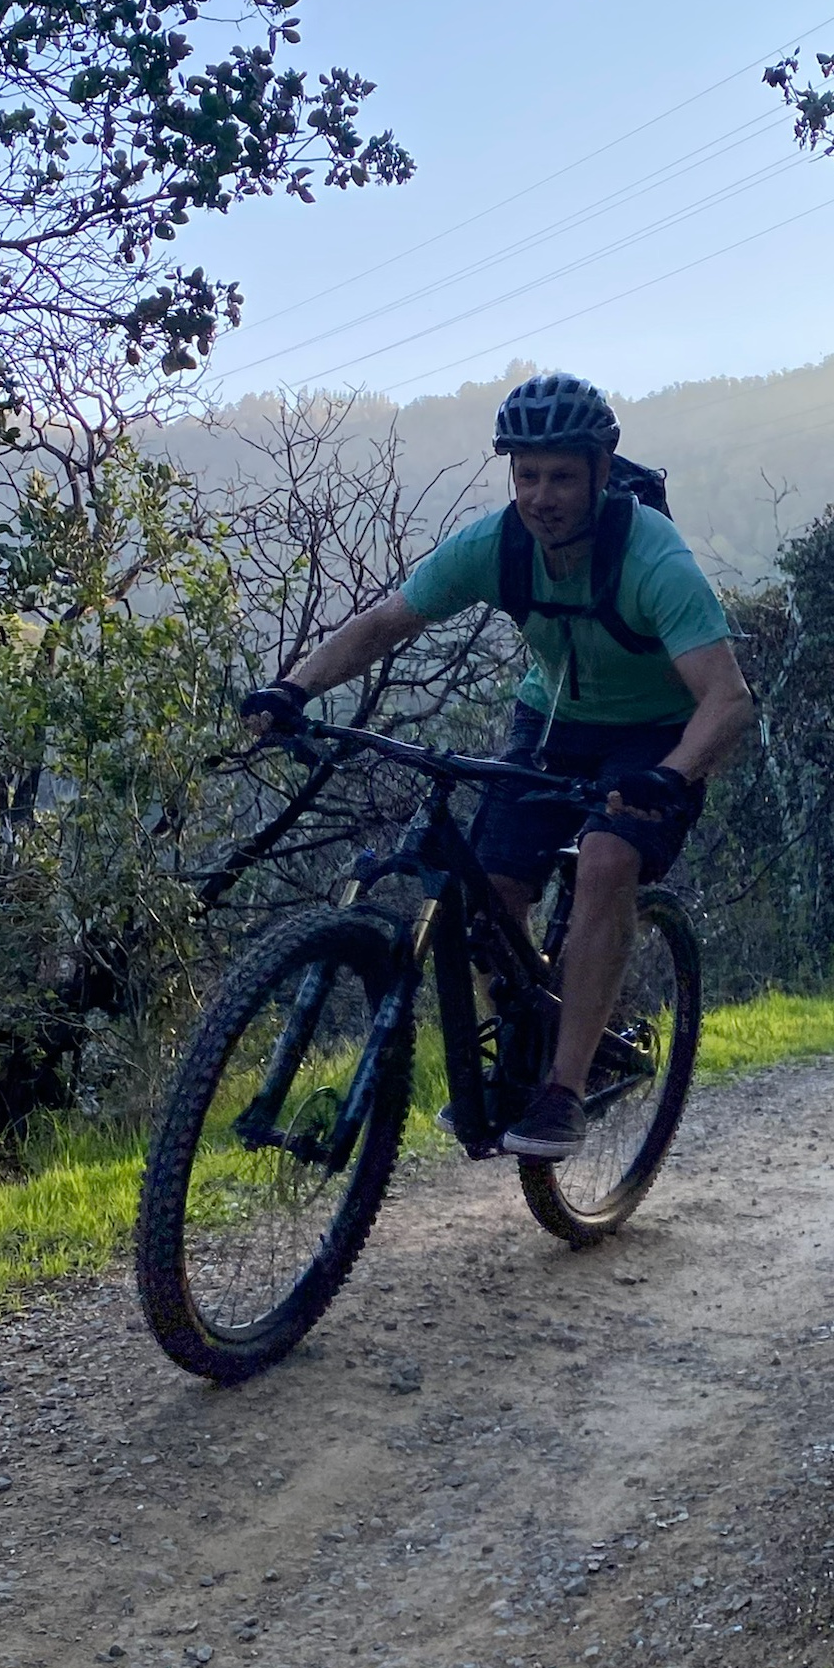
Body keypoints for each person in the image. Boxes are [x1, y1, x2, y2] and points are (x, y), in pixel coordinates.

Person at [241, 372, 755, 1159]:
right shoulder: (499, 545)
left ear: (600, 472)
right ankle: (527, 1030)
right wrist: (292, 688)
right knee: (489, 898)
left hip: (656, 734)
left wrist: (672, 775)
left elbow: (726, 700)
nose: (541, 495)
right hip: (550, 722)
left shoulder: (654, 559)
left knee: (607, 856)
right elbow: (386, 622)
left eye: (561, 476)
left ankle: (562, 1089)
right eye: (526, 475)